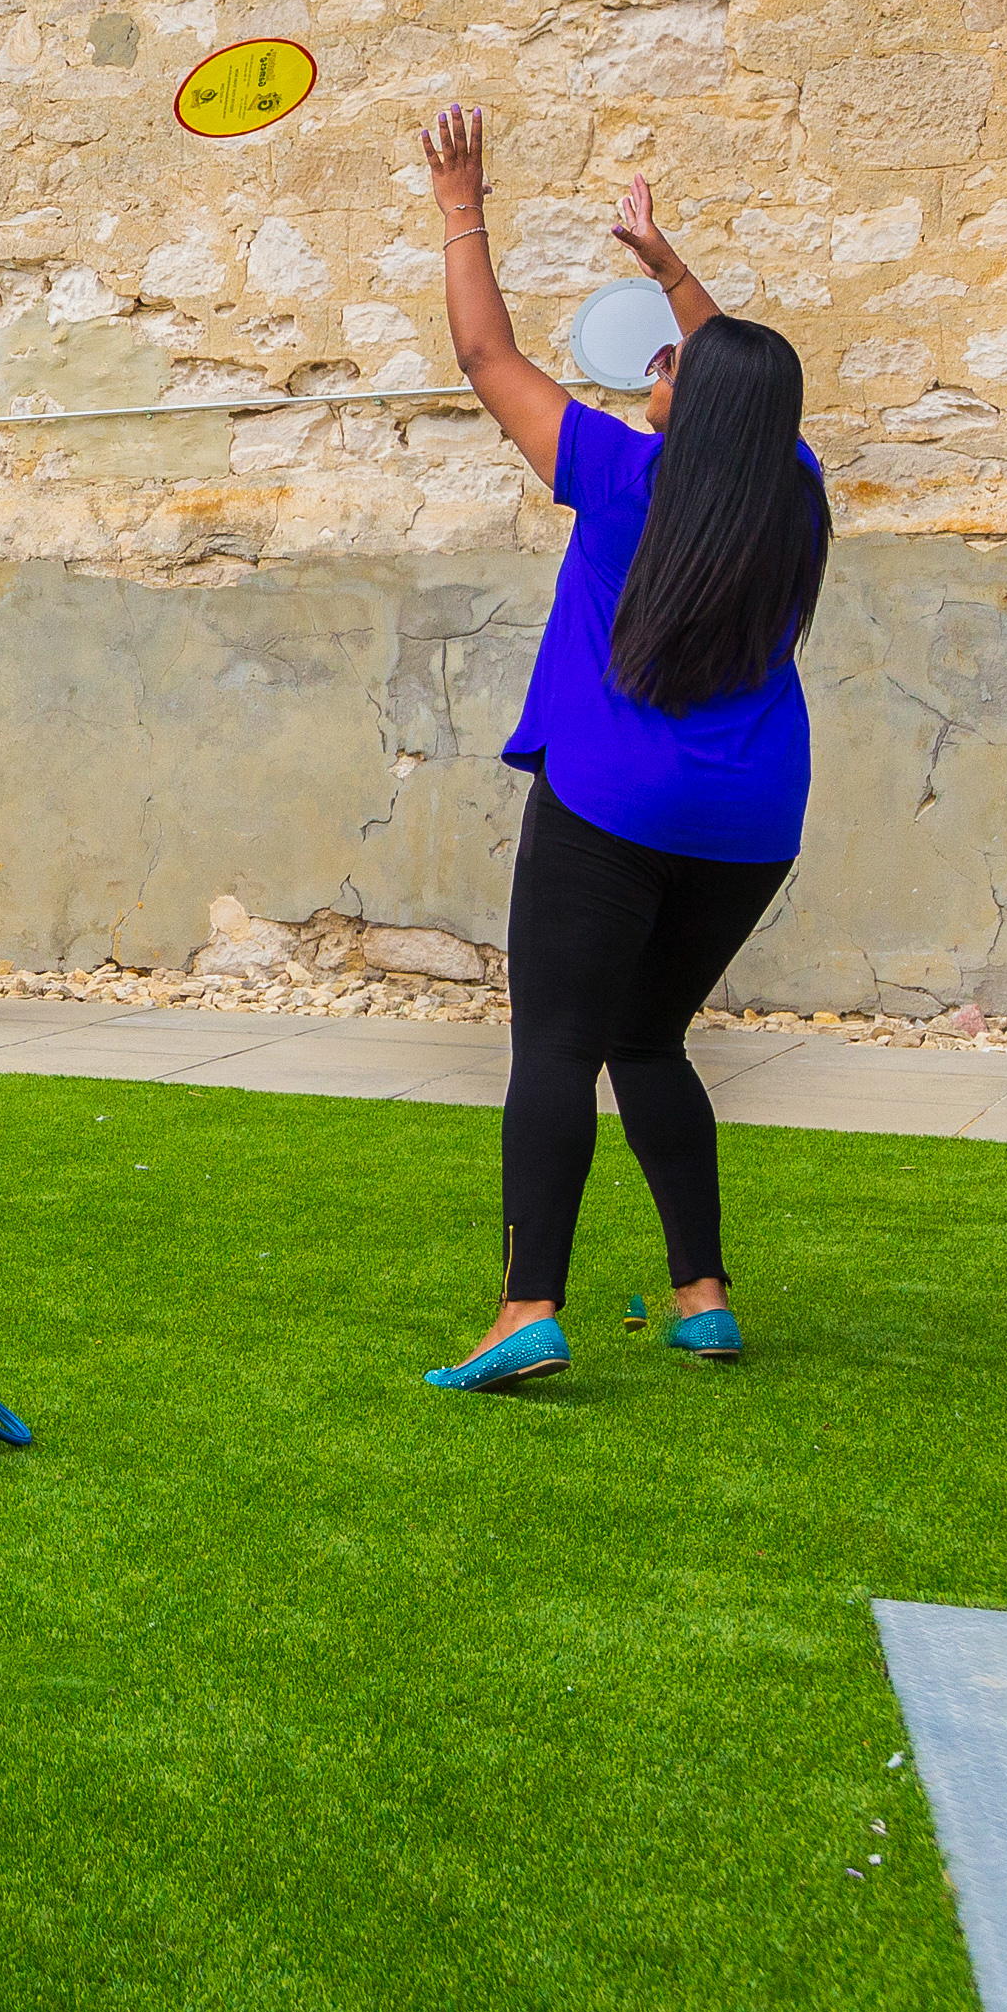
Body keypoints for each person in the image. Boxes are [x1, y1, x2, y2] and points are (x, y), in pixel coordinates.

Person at [414, 105, 829, 1394]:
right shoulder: (797, 487)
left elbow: (484, 352)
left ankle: (526, 1306)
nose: (652, 370)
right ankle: (700, 1294)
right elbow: (738, 380)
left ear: (676, 407)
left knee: (552, 1046)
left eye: (662, 365)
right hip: (751, 822)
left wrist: (459, 207)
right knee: (647, 1042)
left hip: (611, 804)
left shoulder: (618, 472)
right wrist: (665, 267)